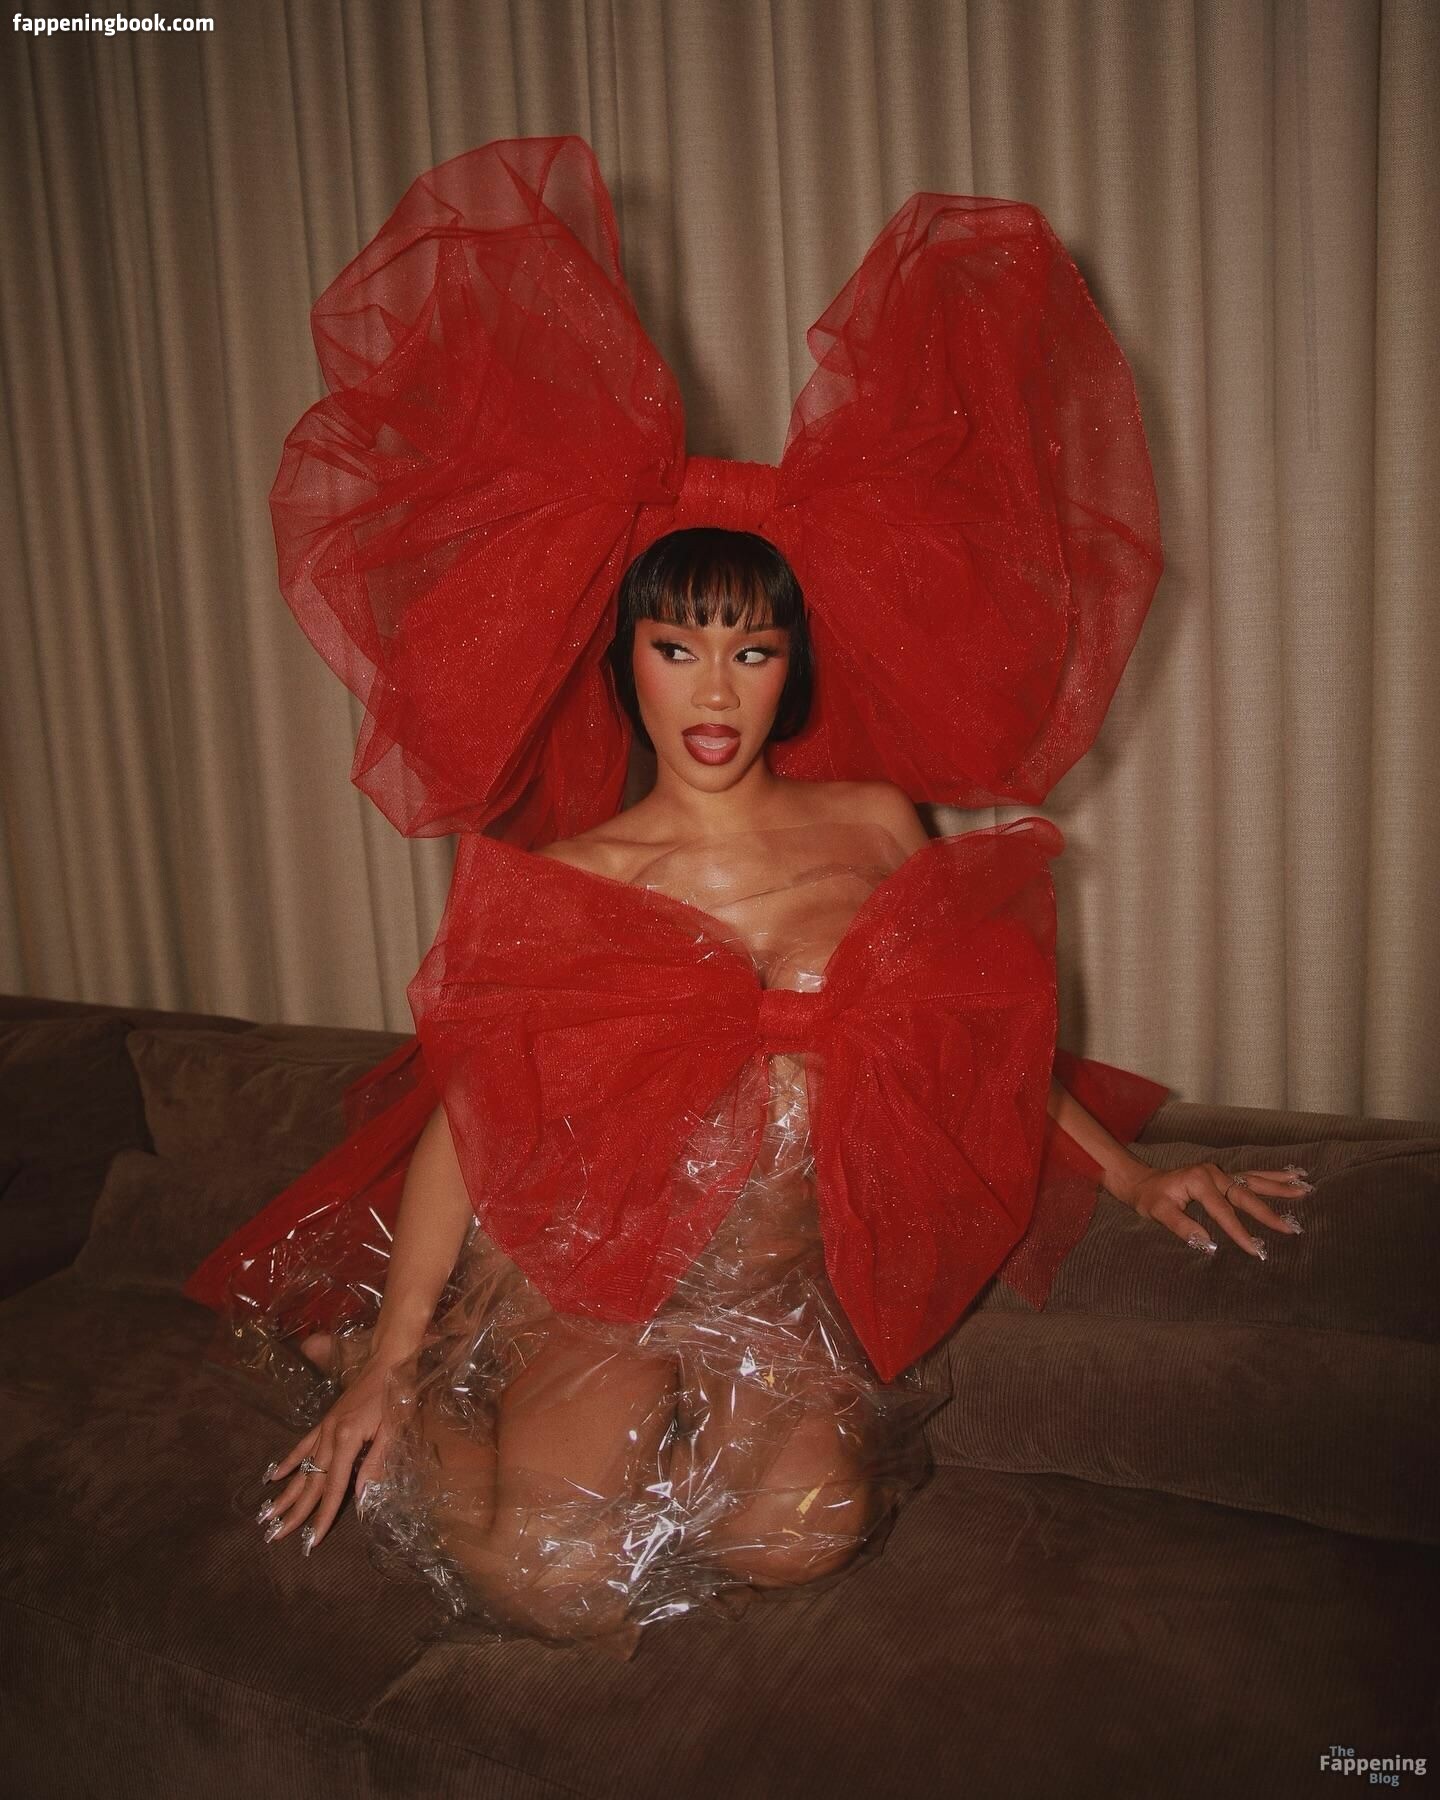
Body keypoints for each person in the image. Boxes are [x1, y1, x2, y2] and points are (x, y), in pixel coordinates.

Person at [183, 137, 1311, 1658]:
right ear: (625, 664)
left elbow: (961, 1043)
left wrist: (1133, 1179)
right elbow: (473, 1115)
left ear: (793, 667)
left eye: (751, 650)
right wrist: (393, 1359)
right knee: (556, 1582)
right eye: (678, 648)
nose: (714, 691)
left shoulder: (874, 824)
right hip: (599, 1281)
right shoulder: (578, 875)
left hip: (779, 1294)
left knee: (810, 1533)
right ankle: (363, 1375)